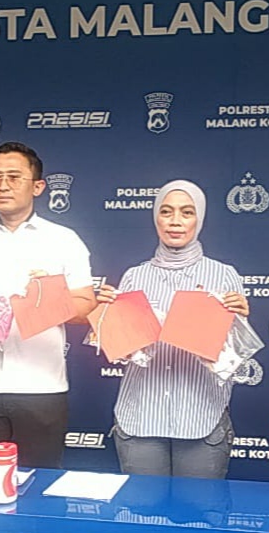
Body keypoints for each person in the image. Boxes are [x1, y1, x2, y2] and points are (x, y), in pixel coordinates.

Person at [0, 142, 96, 468]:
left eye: (14, 177)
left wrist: (48, 297)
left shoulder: (64, 239)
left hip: (41, 387)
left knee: (39, 483)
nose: (3, 185)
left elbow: (87, 306)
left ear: (38, 187)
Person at [96, 180, 248, 479]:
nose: (175, 221)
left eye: (186, 212)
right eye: (166, 212)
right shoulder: (134, 276)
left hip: (201, 417)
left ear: (199, 219)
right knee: (140, 507)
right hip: (139, 417)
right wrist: (106, 320)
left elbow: (235, 355)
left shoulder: (224, 275)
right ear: (156, 218)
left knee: (198, 509)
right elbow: (122, 351)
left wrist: (239, 323)